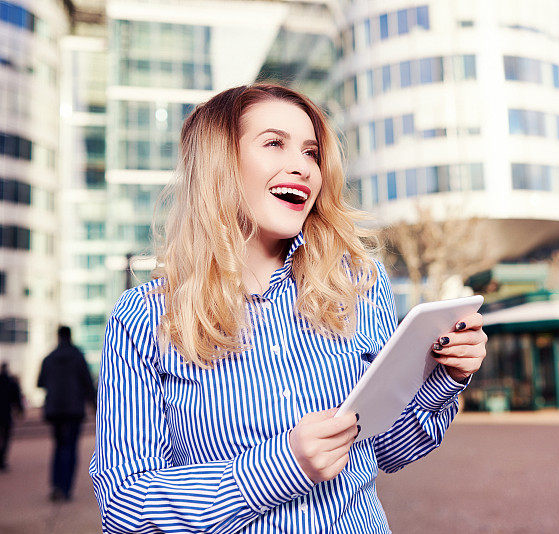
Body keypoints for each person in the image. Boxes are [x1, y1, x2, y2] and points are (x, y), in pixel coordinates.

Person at [89, 83, 488, 533]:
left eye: (311, 153)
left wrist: (444, 378)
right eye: (275, 144)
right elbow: (125, 509)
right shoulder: (144, 318)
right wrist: (282, 466)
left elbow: (387, 448)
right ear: (220, 163)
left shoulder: (356, 284)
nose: (301, 167)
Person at [37, 325, 96, 501]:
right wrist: (93, 405)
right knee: (70, 447)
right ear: (70, 336)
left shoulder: (49, 357)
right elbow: (88, 383)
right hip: (74, 410)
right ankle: (66, 488)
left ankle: (56, 486)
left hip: (55, 410)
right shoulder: (78, 356)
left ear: (58, 336)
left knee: (58, 447)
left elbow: (40, 382)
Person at [0, 361, 24, 471]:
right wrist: (19, 410)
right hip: (6, 414)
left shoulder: (10, 382)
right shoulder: (11, 382)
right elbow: (17, 398)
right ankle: (2, 459)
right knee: (5, 437)